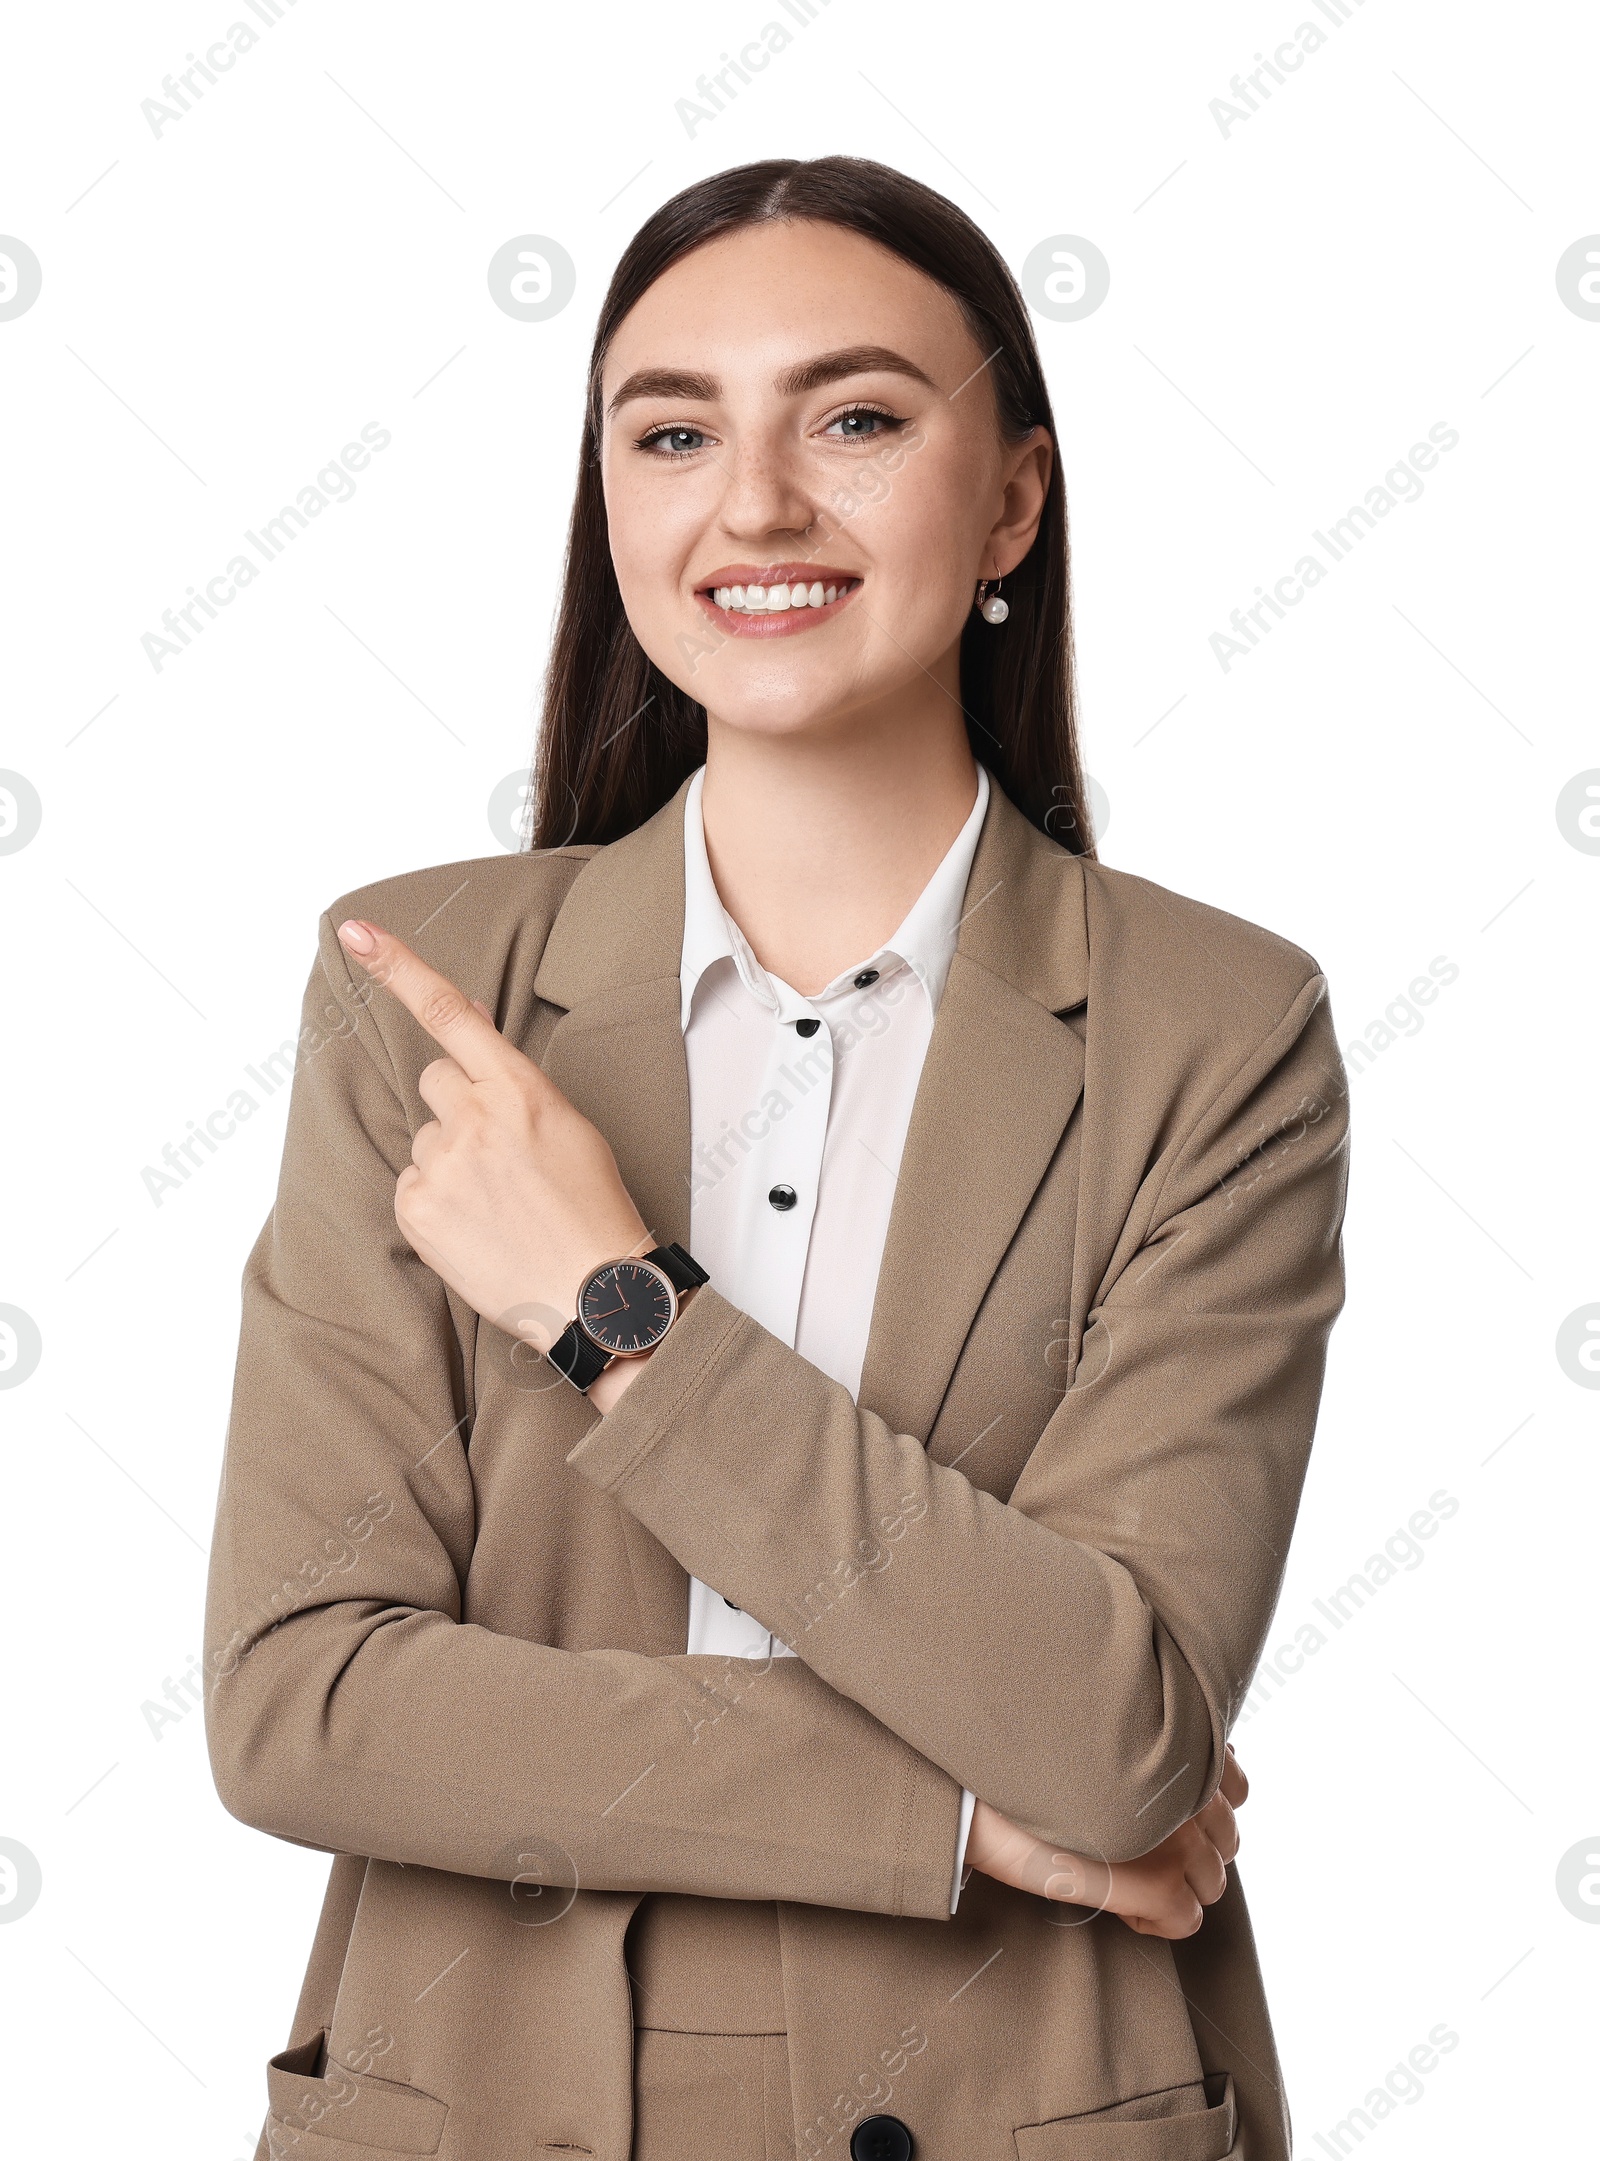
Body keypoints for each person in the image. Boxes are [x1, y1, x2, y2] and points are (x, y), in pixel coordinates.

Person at [205, 156, 1349, 2161]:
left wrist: (615, 1313)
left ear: (1008, 494)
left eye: (852, 418)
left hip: (1021, 2098)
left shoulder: (1211, 1028)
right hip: (480, 2097)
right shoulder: (423, 989)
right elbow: (302, 1695)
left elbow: (1109, 1727)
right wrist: (950, 1810)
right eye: (670, 432)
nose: (751, 505)